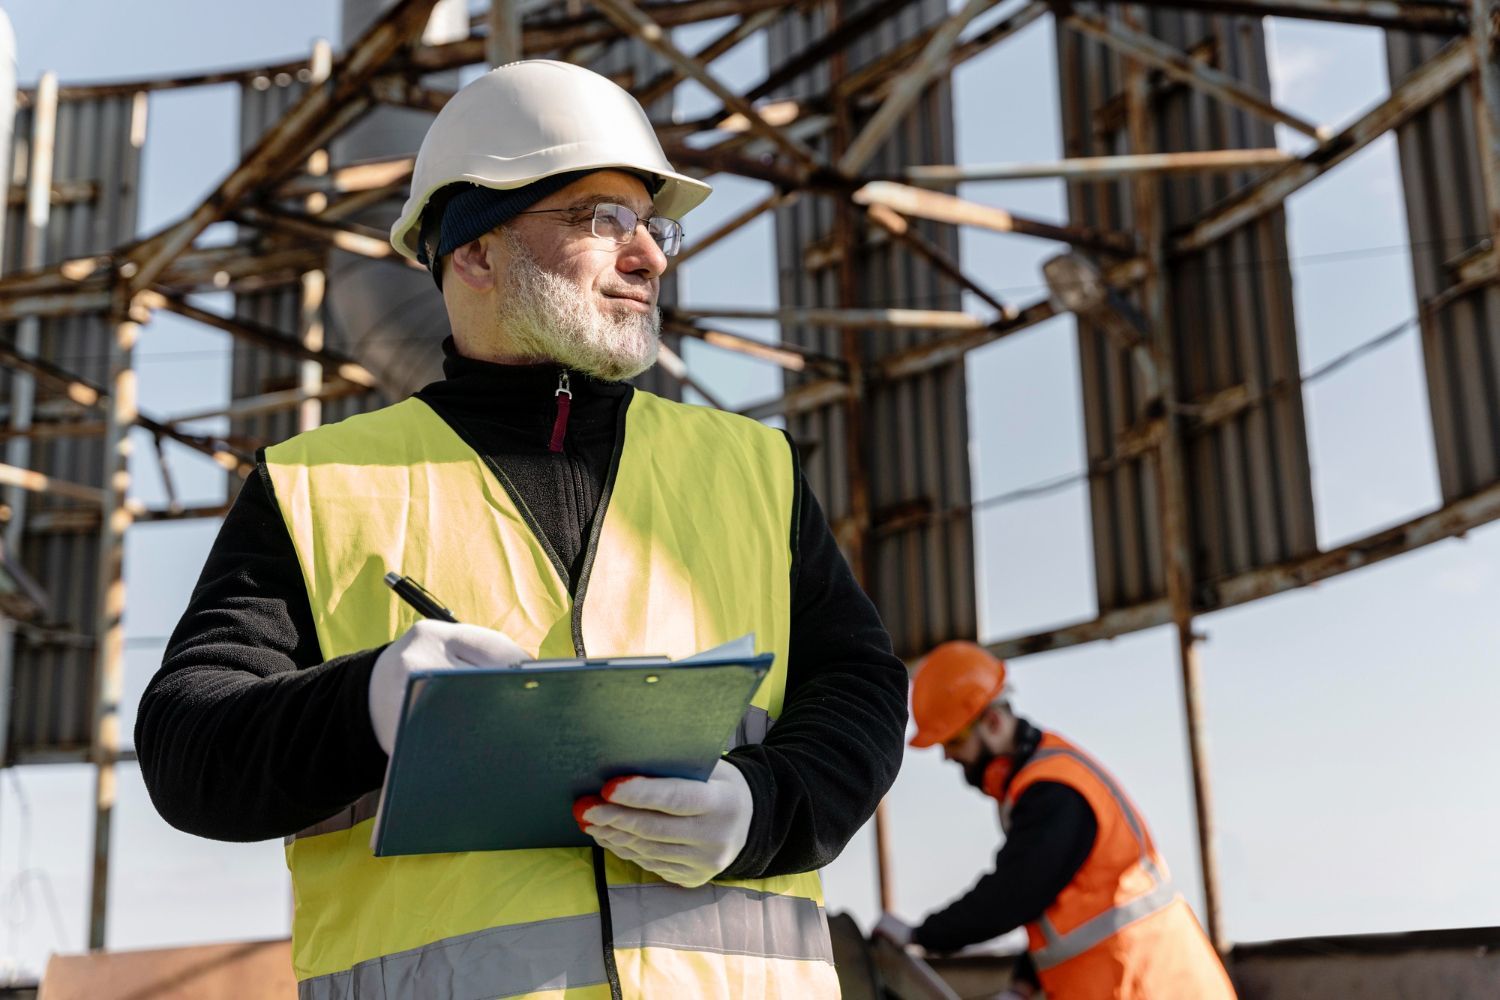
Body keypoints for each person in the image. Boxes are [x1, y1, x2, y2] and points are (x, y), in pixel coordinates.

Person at [136, 60, 908, 1000]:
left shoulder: (754, 469)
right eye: (602, 219)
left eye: (651, 223)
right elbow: (188, 751)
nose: (651, 256)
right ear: (474, 251)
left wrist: (763, 807)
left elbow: (862, 689)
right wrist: (368, 702)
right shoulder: (315, 489)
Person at [874, 641, 1236, 999]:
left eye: (953, 743)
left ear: (994, 722)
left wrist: (920, 935)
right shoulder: (1041, 783)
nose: (950, 759)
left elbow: (1013, 893)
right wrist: (1023, 985)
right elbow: (1062, 906)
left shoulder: (1054, 791)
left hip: (1148, 986)